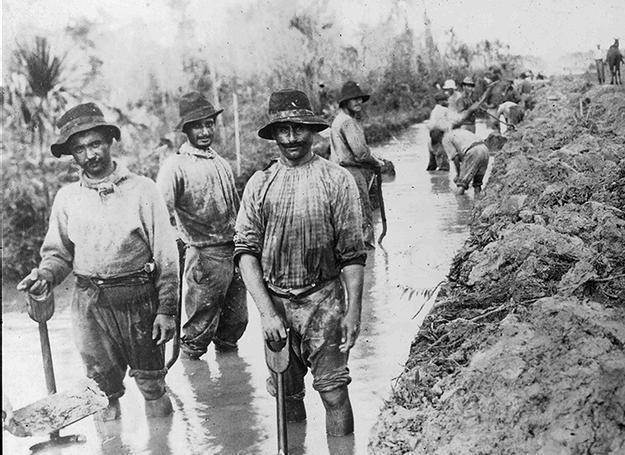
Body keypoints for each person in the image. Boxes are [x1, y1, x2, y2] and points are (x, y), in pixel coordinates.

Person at [17, 103, 178, 421]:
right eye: (80, 148)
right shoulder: (67, 198)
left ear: (109, 141)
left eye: (95, 144)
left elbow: (166, 257)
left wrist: (167, 310)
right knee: (99, 393)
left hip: (139, 301)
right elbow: (59, 254)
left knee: (152, 385)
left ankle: (163, 445)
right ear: (71, 154)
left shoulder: (143, 190)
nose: (90, 155)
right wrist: (45, 276)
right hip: (90, 305)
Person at [234, 88, 366, 436]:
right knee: (286, 395)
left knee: (334, 391)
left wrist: (354, 310)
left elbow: (353, 254)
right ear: (274, 134)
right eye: (283, 129)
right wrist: (266, 313)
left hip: (324, 300)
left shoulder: (337, 180)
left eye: (299, 128)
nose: (292, 137)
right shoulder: (259, 184)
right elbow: (245, 254)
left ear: (312, 129)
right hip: (276, 303)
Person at [156, 92, 247, 360]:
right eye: (198, 125)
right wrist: (178, 241)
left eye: (210, 124)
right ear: (186, 130)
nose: (206, 131)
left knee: (235, 323)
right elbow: (161, 213)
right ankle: (193, 381)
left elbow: (236, 207)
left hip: (233, 251)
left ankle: (232, 386)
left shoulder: (220, 162)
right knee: (198, 329)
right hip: (204, 256)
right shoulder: (176, 166)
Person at [329, 81, 384, 248]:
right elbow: (361, 153)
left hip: (339, 172)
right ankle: (367, 253)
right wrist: (377, 162)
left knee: (347, 214)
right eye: (354, 99)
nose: (358, 102)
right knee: (362, 213)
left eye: (360, 99)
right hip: (351, 172)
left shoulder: (338, 120)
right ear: (345, 102)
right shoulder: (347, 121)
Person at [442, 120, 491, 196]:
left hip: (473, 151)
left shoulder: (446, 138)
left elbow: (455, 158)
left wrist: (459, 175)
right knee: (477, 185)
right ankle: (477, 202)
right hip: (485, 149)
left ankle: (459, 206)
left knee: (461, 185)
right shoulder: (462, 132)